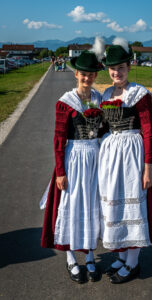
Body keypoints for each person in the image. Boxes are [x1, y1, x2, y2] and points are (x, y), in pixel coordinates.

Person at [98, 37, 152, 284]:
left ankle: (133, 263)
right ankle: (121, 255)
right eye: (113, 68)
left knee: (132, 207)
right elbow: (103, 126)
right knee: (115, 206)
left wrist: (147, 168)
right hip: (111, 157)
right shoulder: (106, 93)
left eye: (121, 68)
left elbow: (148, 131)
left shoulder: (139, 93)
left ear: (129, 67)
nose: (116, 72)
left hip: (132, 157)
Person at [41, 37, 105, 283]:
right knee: (72, 206)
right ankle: (71, 258)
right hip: (74, 160)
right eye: (83, 74)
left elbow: (105, 131)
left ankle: (89, 256)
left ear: (95, 76)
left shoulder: (100, 100)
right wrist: (60, 171)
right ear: (76, 74)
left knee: (91, 207)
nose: (87, 78)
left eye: (91, 74)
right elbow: (58, 140)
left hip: (95, 160)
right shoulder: (65, 103)